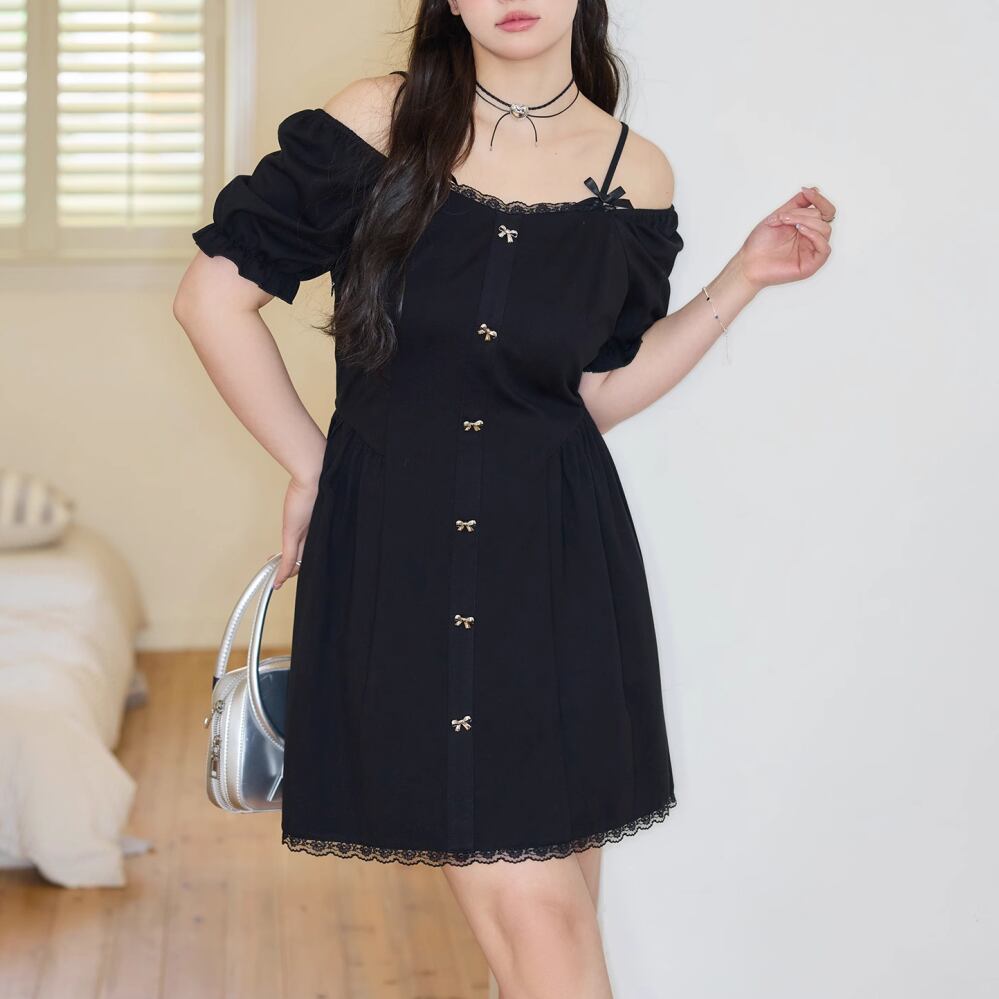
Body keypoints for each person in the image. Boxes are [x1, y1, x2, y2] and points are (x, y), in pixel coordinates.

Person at [173, 2, 835, 995]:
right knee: (544, 927)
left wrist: (743, 276)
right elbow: (212, 297)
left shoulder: (635, 171)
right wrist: (316, 469)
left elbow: (590, 392)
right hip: (405, 560)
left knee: (548, 932)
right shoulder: (380, 120)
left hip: (558, 570)